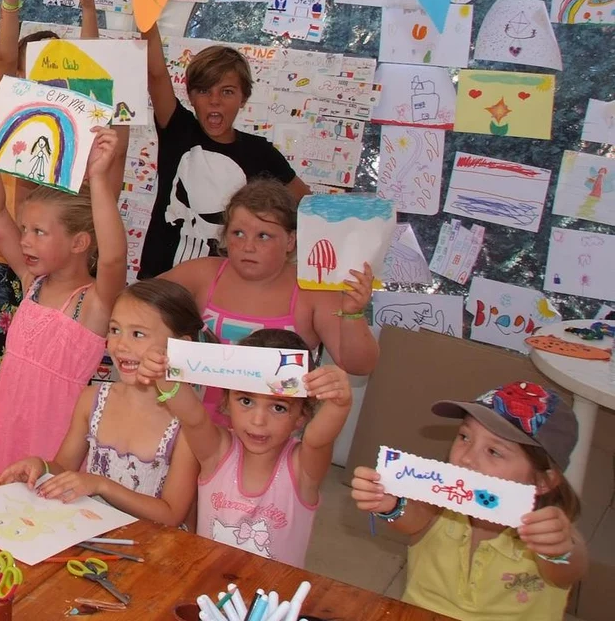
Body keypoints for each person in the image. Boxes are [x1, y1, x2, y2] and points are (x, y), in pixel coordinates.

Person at [0, 0, 95, 465]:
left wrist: (88, 9)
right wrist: (11, 0)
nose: (43, 77)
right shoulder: (10, 115)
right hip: (7, 263)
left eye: (54, 68)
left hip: (60, 279)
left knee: (49, 388)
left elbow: (96, 78)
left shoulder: (79, 133)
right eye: (30, 69)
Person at [351, 382, 586, 620]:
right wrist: (390, 504)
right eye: (464, 437)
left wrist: (558, 549)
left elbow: (569, 568)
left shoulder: (548, 531)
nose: (466, 459)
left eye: (494, 451)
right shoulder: (438, 507)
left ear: (544, 481)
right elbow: (411, 518)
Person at [0, 109, 126, 475]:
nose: (24, 240)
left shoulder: (94, 303)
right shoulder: (31, 282)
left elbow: (114, 257)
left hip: (56, 450)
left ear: (79, 242)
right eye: (24, 229)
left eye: (38, 232)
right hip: (6, 436)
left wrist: (101, 179)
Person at [161, 178, 378, 424]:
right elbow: (134, 305)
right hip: (195, 428)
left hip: (270, 440)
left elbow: (361, 365)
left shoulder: (313, 292)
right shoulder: (200, 274)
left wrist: (353, 314)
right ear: (224, 235)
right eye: (238, 233)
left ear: (291, 241)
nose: (248, 246)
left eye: (263, 236)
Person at [0, 278, 200, 527]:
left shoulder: (189, 426)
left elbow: (171, 515)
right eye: (114, 330)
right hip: (91, 534)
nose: (121, 345)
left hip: (153, 550)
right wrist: (40, 466)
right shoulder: (93, 399)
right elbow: (63, 467)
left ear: (182, 347)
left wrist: (101, 485)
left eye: (138, 334)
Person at [144, 329, 354, 568]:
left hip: (275, 602)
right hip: (206, 590)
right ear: (226, 402)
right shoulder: (217, 451)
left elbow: (317, 439)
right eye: (246, 401)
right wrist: (162, 371)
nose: (258, 420)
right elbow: (192, 417)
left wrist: (339, 404)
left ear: (301, 416)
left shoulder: (302, 468)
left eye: (278, 408)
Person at [140, 27, 308, 278]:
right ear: (191, 96)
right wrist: (147, 17)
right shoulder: (178, 130)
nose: (215, 100)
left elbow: (307, 205)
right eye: (204, 91)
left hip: (226, 291)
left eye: (227, 91)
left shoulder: (259, 152)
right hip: (159, 282)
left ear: (243, 98)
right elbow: (155, 75)